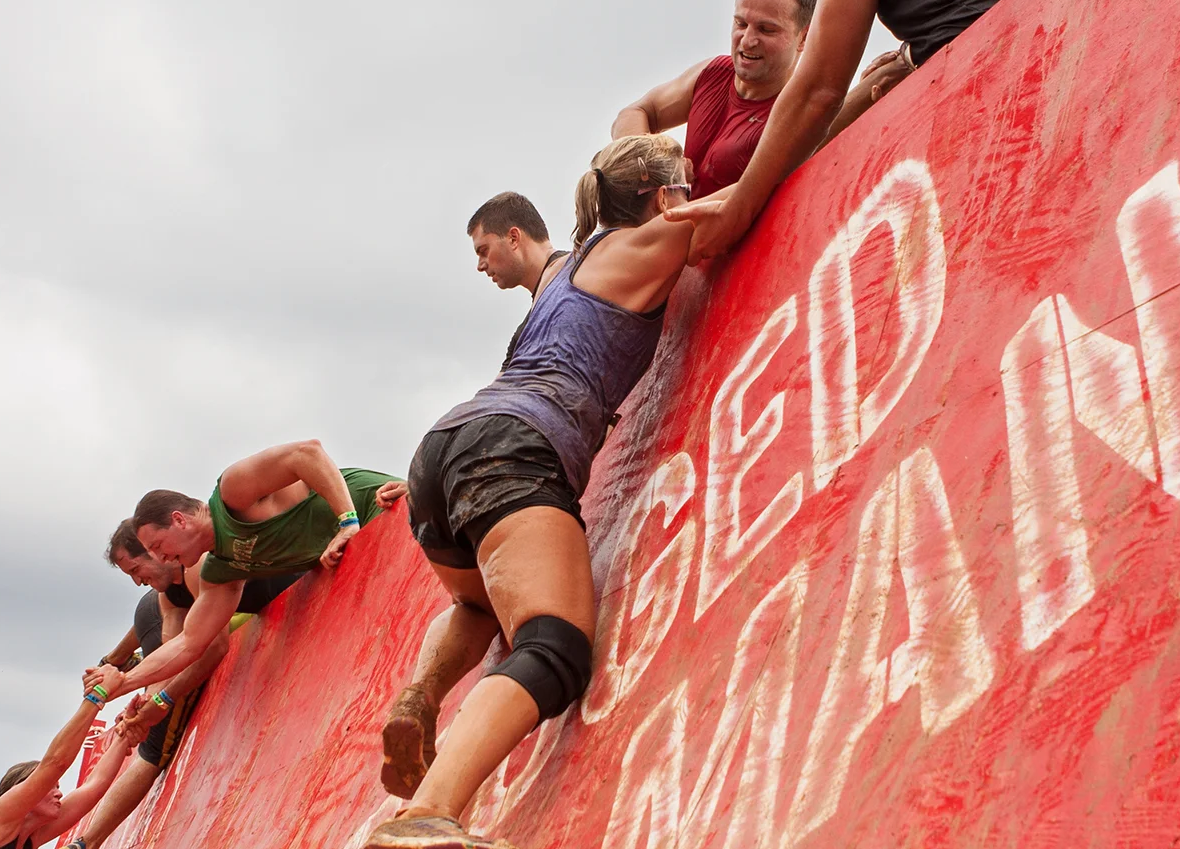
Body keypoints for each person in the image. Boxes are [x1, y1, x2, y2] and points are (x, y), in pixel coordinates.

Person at [362, 135, 724, 849]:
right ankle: (424, 816)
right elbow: (742, 196)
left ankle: (422, 692)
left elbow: (635, 125)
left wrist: (650, 152)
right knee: (553, 643)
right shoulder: (645, 243)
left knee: (479, 600)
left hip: (443, 451)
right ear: (659, 195)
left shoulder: (566, 270)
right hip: (517, 444)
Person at [668, 0, 1065, 262]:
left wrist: (739, 208)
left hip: (1000, 96)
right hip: (1065, 55)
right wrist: (912, 57)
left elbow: (819, 91)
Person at [82, 443, 404, 701]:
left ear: (180, 520)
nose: (159, 556)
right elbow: (189, 645)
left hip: (378, 506)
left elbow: (308, 453)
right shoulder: (220, 570)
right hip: (354, 553)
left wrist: (348, 522)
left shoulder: (232, 493)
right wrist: (120, 684)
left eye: (157, 545)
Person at [62, 529, 307, 849]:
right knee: (152, 744)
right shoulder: (169, 591)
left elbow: (210, 649)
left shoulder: (197, 568)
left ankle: (85, 843)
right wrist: (144, 698)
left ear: (156, 551)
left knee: (153, 740)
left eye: (136, 570)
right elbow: (176, 655)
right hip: (156, 619)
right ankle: (85, 843)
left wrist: (152, 696)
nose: (137, 581)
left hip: (164, 615)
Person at [611, 0, 817, 199]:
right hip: (660, 230)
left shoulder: (801, 116)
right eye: (741, 23)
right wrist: (660, 166)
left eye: (766, 30)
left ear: (804, 37)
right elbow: (633, 113)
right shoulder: (714, 72)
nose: (747, 40)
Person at [0, 668, 136, 849]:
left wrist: (125, 733)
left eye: (58, 787)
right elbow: (55, 763)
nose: (59, 794)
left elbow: (94, 786)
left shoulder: (29, 835)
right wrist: (98, 694)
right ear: (23, 789)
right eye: (51, 786)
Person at [468, 192, 569, 370]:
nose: (480, 266)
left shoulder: (582, 270)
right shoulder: (522, 338)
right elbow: (498, 393)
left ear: (513, 238)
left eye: (484, 250)